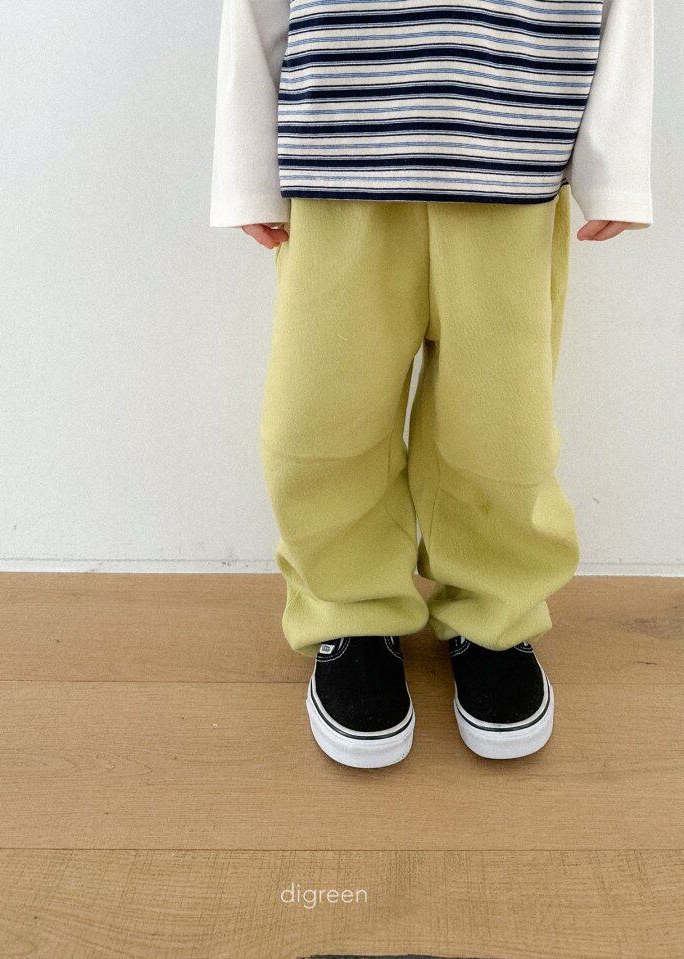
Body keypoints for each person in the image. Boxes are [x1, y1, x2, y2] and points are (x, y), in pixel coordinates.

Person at [210, 0, 653, 767]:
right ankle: (349, 607)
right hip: (340, 154)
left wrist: (614, 166)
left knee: (502, 427)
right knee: (320, 417)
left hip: (508, 150)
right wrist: (247, 170)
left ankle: (492, 612)